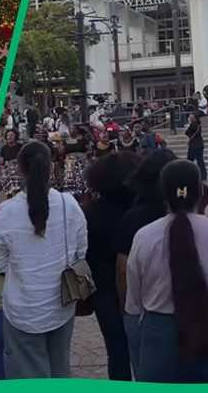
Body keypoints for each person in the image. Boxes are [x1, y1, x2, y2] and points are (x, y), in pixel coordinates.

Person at [126, 160, 208, 382]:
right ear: (201, 191)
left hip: (161, 338)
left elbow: (134, 302)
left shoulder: (144, 237)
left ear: (163, 193)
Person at [0, 141, 86, 379]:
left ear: (20, 169)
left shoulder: (6, 211)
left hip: (22, 312)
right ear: (50, 167)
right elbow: (81, 252)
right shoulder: (69, 205)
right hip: (62, 306)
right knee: (60, 368)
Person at [113, 149, 176, 370]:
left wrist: (126, 308)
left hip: (144, 309)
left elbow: (122, 270)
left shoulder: (133, 218)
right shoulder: (188, 214)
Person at [84, 153, 141, 381]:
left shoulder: (91, 212)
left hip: (104, 289)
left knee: (116, 351)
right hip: (139, 289)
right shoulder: (139, 213)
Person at [0, 129, 24, 199]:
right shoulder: (4, 148)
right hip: (7, 170)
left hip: (18, 170)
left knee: (18, 190)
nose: (9, 137)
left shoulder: (21, 147)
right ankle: (9, 198)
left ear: (16, 136)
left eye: (11, 135)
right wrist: (0, 167)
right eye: (8, 135)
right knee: (5, 177)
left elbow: (25, 158)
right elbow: (2, 162)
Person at [185, 112, 208, 183]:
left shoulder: (193, 125)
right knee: (200, 161)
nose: (190, 118)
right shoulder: (198, 125)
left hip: (194, 145)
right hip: (198, 145)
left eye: (191, 117)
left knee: (190, 161)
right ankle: (203, 175)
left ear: (194, 118)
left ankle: (188, 175)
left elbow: (187, 132)